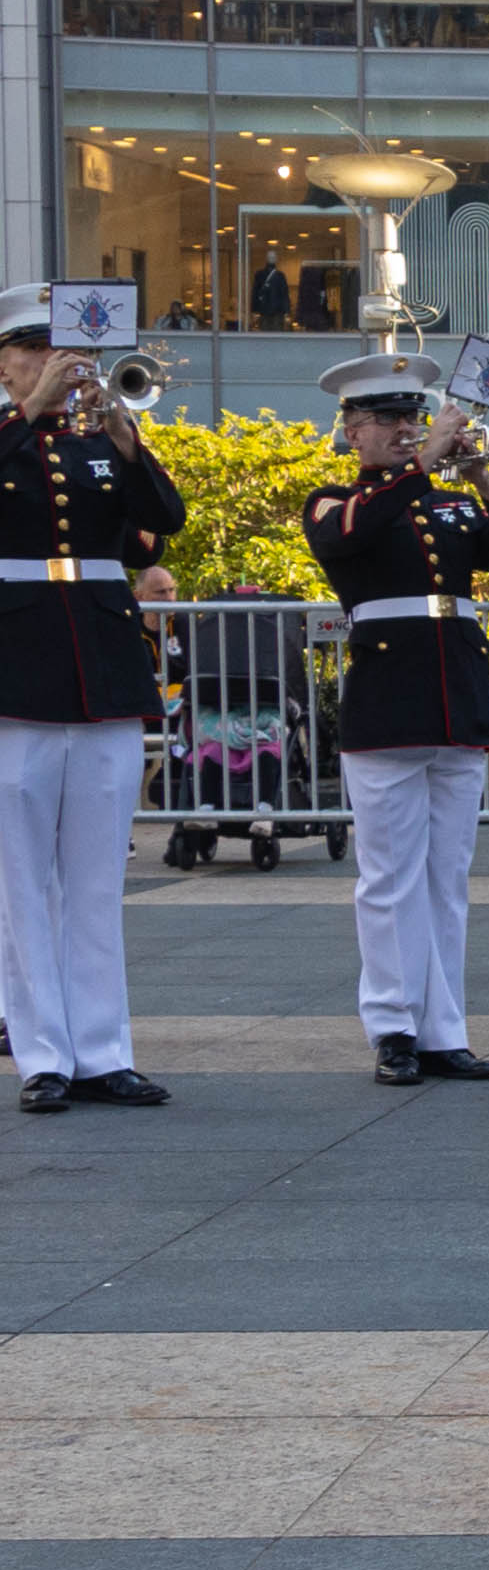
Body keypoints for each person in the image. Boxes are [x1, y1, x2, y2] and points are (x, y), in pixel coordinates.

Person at [303, 352, 489, 1087]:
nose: (407, 430)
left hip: (456, 698)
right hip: (388, 703)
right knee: (388, 880)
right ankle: (392, 1026)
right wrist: (425, 467)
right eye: (388, 419)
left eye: (413, 417)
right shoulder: (332, 500)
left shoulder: (446, 501)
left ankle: (444, 1027)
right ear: (351, 432)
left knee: (448, 879)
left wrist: (477, 475)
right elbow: (346, 538)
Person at [0, 284, 185, 1112]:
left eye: (59, 351)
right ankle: (41, 1053)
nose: (52, 365)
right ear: (4, 364)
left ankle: (104, 1048)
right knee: (20, 881)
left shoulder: (96, 443)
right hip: (17, 675)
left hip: (104, 674)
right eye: (32, 352)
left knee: (94, 880)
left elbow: (165, 517)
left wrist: (126, 436)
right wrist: (29, 412)